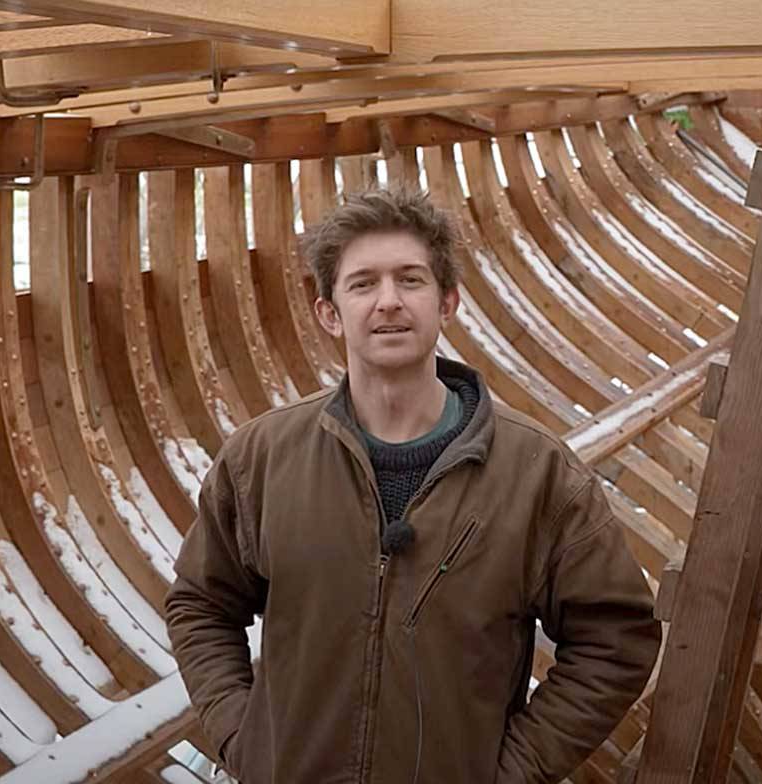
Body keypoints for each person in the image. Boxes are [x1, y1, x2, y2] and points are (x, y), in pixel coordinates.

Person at [164, 187, 661, 784]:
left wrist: (512, 770)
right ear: (330, 313)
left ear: (447, 302)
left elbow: (615, 639)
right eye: (363, 284)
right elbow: (200, 604)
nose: (389, 301)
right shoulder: (262, 459)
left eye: (411, 279)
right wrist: (245, 740)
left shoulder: (536, 472)